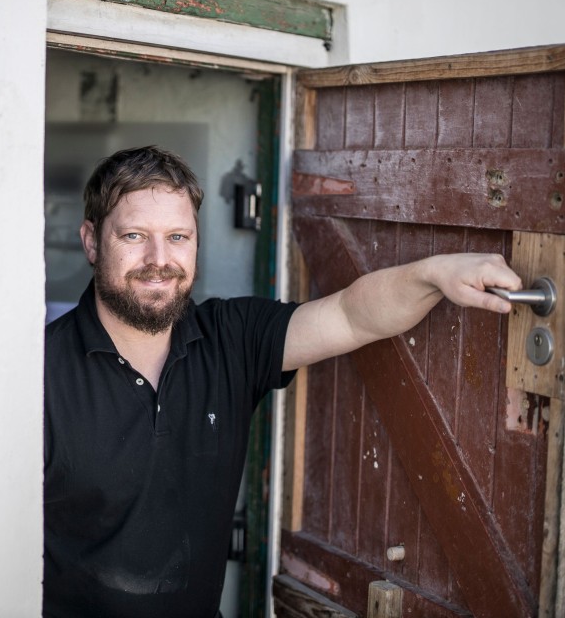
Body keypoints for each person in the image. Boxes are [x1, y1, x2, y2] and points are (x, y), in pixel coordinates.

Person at [43, 146, 521, 617]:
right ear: (91, 241)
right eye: (133, 235)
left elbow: (354, 316)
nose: (158, 258)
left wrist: (436, 274)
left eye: (178, 237)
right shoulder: (38, 372)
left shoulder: (231, 337)